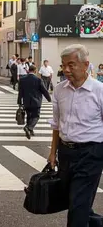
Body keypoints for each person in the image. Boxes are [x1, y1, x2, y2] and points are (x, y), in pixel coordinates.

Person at [48, 44, 103, 226]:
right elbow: (56, 124)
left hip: (91, 153)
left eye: (71, 65)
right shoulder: (60, 90)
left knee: (77, 207)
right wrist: (52, 152)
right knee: (75, 201)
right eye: (63, 65)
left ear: (85, 65)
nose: (66, 70)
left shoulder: (99, 90)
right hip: (66, 153)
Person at [17, 65, 51, 139]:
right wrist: (49, 99)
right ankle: (29, 127)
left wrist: (19, 102)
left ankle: (30, 130)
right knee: (36, 116)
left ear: (29, 70)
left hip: (26, 101)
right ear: (35, 71)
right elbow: (44, 91)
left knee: (29, 116)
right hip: (36, 101)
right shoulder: (38, 80)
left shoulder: (22, 80)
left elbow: (20, 92)